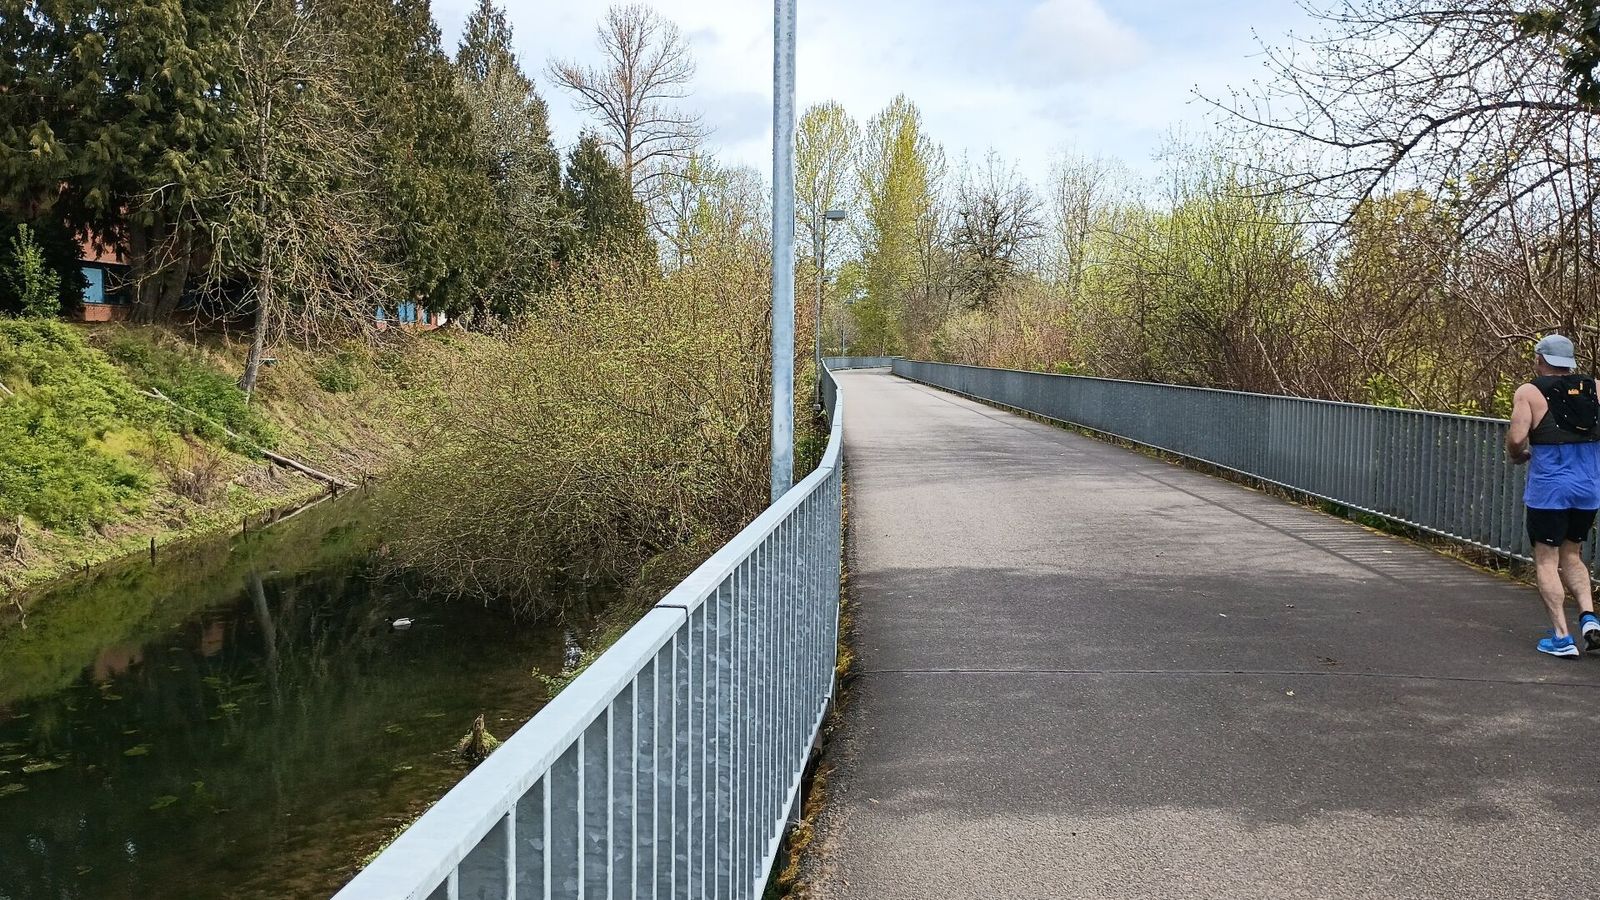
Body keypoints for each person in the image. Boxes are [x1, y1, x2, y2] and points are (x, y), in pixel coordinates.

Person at [1506, 334, 1600, 658]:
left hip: (1549, 490)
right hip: (1589, 487)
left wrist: (1517, 455)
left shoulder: (1529, 392)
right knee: (1572, 554)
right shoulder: (1595, 388)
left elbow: (1517, 438)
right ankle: (1589, 619)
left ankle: (1562, 637)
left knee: (1547, 559)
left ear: (1540, 360)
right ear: (1570, 361)